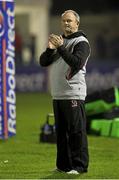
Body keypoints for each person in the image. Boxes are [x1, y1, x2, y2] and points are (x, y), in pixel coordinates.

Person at [39, 10, 91, 175]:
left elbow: (76, 62)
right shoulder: (60, 42)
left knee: (76, 132)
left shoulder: (82, 42)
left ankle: (80, 166)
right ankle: (63, 166)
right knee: (61, 133)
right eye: (64, 21)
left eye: (69, 21)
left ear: (77, 23)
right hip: (59, 94)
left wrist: (60, 47)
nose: (66, 24)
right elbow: (43, 62)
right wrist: (50, 49)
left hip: (73, 93)